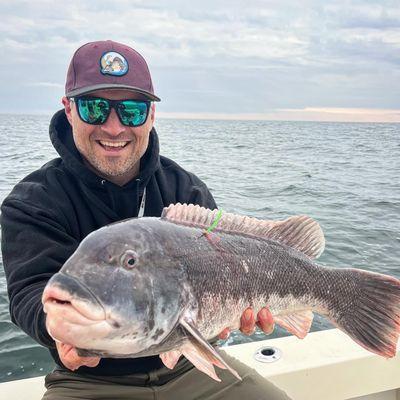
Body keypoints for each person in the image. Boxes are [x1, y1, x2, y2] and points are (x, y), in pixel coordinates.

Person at [1, 40, 290, 399]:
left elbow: (225, 271)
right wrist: (56, 330)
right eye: (95, 108)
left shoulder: (185, 188)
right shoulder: (33, 201)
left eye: (132, 111)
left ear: (151, 115)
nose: (113, 127)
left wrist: (230, 318)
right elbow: (29, 291)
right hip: (90, 381)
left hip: (190, 362)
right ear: (69, 110)